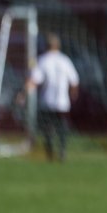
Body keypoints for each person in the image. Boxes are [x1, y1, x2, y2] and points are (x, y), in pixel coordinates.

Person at [23, 32, 79, 162]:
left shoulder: (43, 60)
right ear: (58, 45)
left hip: (47, 101)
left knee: (47, 127)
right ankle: (62, 150)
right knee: (62, 125)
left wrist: (23, 93)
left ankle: (50, 153)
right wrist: (73, 93)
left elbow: (34, 81)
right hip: (62, 101)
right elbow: (75, 81)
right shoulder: (65, 60)